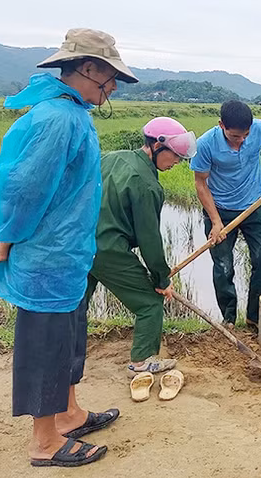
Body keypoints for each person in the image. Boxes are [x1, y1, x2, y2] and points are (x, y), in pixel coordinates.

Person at [0, 28, 138, 467]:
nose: (114, 86)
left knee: (67, 337)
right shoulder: (58, 118)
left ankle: (69, 413)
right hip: (45, 257)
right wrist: (5, 235)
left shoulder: (70, 113)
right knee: (45, 344)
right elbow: (25, 189)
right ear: (87, 68)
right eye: (111, 76)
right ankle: (44, 442)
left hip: (66, 255)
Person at [84, 117, 197, 375]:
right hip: (108, 249)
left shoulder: (113, 157)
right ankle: (142, 361)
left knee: (76, 304)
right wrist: (161, 278)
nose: (177, 162)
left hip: (79, 243)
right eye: (175, 156)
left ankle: (65, 352)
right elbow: (149, 239)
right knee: (149, 304)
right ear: (157, 147)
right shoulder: (147, 185)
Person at [189, 100, 261, 328]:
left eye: (245, 135)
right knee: (223, 266)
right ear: (221, 125)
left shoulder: (257, 129)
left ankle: (254, 318)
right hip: (220, 211)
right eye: (236, 136)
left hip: (253, 207)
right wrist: (215, 222)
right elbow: (200, 184)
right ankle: (228, 319)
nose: (242, 140)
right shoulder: (205, 144)